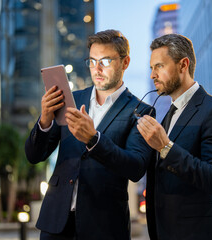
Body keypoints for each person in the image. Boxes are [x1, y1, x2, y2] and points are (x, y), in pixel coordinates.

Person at [25, 29, 154, 240]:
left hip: (104, 225)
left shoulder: (141, 111)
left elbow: (136, 167)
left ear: (125, 62)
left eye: (105, 61)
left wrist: (94, 140)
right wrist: (45, 120)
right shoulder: (70, 100)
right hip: (56, 222)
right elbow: (33, 155)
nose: (97, 69)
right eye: (92, 61)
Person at [137, 34, 212, 240]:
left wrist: (165, 147)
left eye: (159, 66)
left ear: (183, 65)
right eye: (151, 68)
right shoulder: (166, 117)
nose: (152, 75)